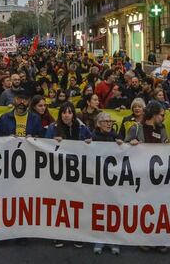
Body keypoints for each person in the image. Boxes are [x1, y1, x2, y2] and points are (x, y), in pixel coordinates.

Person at [45, 102, 91, 249]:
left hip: (77, 173)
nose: (66, 115)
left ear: (73, 114)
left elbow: (93, 142)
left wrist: (89, 142)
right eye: (64, 112)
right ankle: (58, 234)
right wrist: (52, 142)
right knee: (59, 205)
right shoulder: (53, 128)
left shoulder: (82, 127)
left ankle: (78, 234)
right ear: (60, 114)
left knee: (77, 204)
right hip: (58, 173)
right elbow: (44, 146)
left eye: (69, 112)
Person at [91, 112, 122, 255]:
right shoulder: (92, 138)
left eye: (110, 121)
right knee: (99, 209)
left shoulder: (116, 138)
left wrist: (127, 145)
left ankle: (113, 239)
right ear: (98, 124)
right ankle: (99, 239)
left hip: (113, 179)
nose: (109, 123)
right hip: (97, 180)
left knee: (113, 208)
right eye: (105, 121)